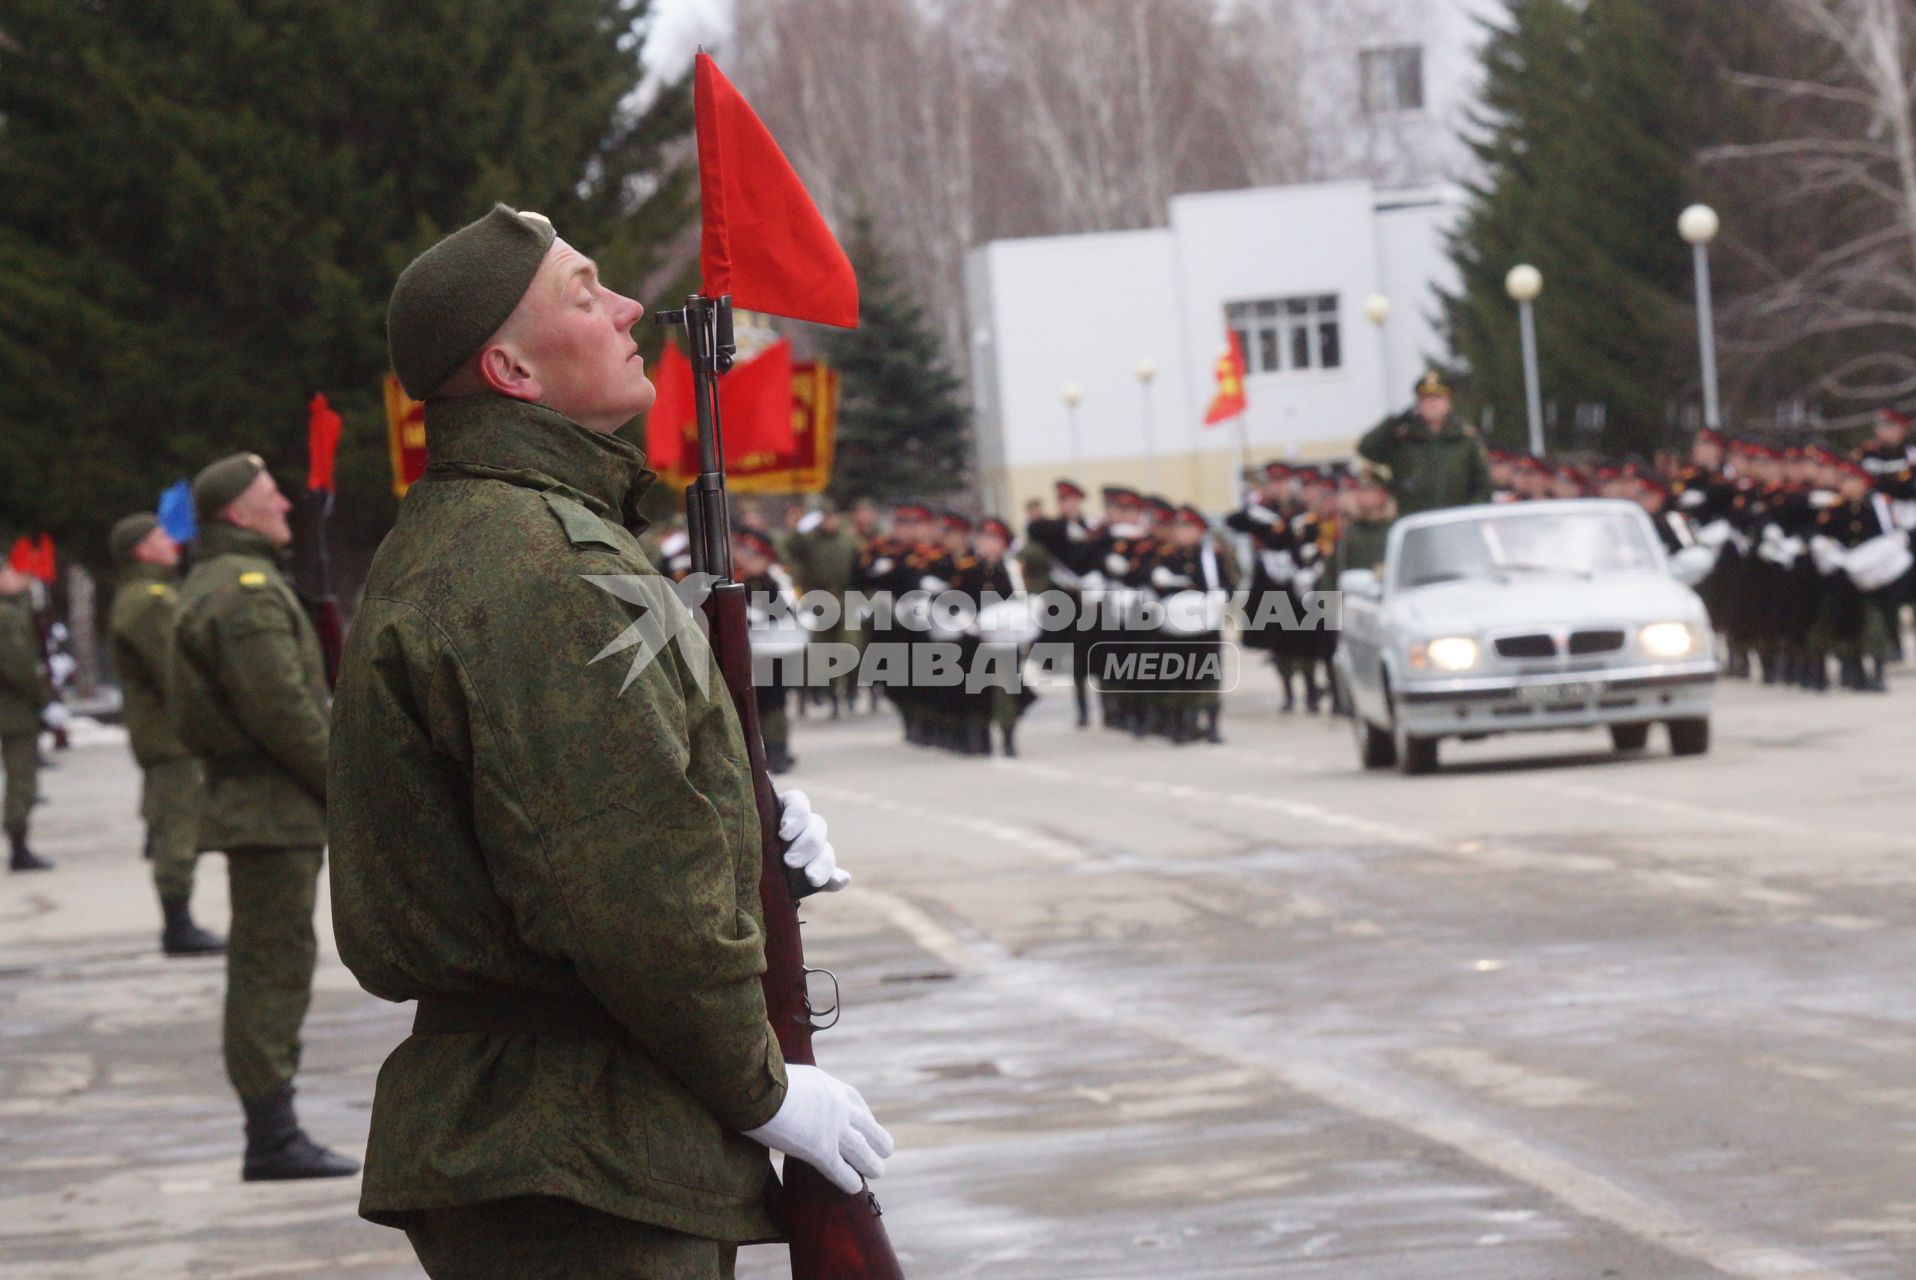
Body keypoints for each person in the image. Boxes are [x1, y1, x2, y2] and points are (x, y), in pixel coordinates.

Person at [329, 204, 889, 1279]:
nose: (632, 306)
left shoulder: (522, 533)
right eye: (584, 292)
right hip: (579, 1150)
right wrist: (762, 1086)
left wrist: (747, 829)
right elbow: (622, 881)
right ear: (511, 368)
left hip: (570, 1135)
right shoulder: (539, 563)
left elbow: (612, 804)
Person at [168, 452, 358, 1180]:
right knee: (271, 968)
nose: (284, 505)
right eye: (270, 496)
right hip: (271, 807)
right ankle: (271, 1136)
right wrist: (348, 789)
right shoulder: (245, 592)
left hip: (269, 804)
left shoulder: (231, 580)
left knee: (273, 963)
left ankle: (273, 1127)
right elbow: (284, 712)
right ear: (236, 515)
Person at [106, 513, 223, 954]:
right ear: (139, 549)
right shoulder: (148, 600)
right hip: (171, 738)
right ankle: (178, 926)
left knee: (172, 823)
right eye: (158, 536)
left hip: (165, 736)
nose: (169, 540)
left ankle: (179, 921)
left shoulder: (146, 595)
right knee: (177, 829)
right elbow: (176, 672)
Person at [1356, 371, 1492, 517]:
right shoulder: (1404, 441)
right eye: (1425, 399)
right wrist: (1395, 421)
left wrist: (1472, 514)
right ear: (1417, 405)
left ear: (1448, 404)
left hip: (1458, 525)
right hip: (1416, 524)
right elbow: (1366, 448)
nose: (1431, 404)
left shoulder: (1465, 441)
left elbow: (1482, 485)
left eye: (1437, 398)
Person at [0, 558, 54, 872]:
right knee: (22, 779)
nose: (20, 578)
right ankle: (19, 847)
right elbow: (19, 665)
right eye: (11, 573)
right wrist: (40, 698)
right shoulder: (6, 617)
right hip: (14, 711)